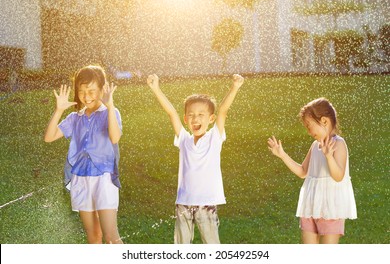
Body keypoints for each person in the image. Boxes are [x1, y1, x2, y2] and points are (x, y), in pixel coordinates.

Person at [147, 73, 244, 244]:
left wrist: (234, 87)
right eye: (191, 115)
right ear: (185, 119)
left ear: (211, 119)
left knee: (211, 244)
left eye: (201, 114)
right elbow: (171, 113)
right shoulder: (184, 139)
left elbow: (223, 110)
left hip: (206, 204)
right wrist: (156, 89)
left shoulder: (214, 138)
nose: (195, 118)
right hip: (184, 203)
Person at [44, 65, 123, 244]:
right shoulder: (75, 118)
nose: (86, 96)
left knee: (111, 238)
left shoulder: (110, 113)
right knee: (94, 236)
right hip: (80, 179)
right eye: (82, 91)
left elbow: (114, 137)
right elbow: (49, 137)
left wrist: (110, 107)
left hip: (104, 178)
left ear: (102, 90)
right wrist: (58, 110)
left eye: (92, 91)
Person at [267, 97, 357, 244]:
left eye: (309, 126)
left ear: (324, 121)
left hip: (331, 208)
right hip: (311, 206)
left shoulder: (339, 144)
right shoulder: (315, 146)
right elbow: (303, 171)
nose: (308, 132)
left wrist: (329, 157)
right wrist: (282, 155)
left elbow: (338, 176)